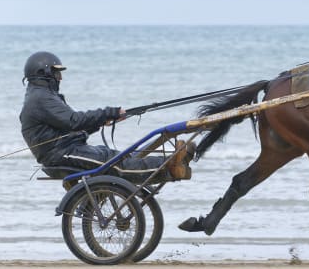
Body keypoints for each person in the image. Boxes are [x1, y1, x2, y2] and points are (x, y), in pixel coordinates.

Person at [19, 51, 195, 184]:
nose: (60, 78)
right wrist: (109, 112)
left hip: (68, 149)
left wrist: (102, 121)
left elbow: (71, 126)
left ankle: (174, 161)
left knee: (120, 157)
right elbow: (73, 121)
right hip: (62, 154)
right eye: (57, 73)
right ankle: (171, 164)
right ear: (44, 73)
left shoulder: (43, 96)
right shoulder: (40, 98)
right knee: (117, 166)